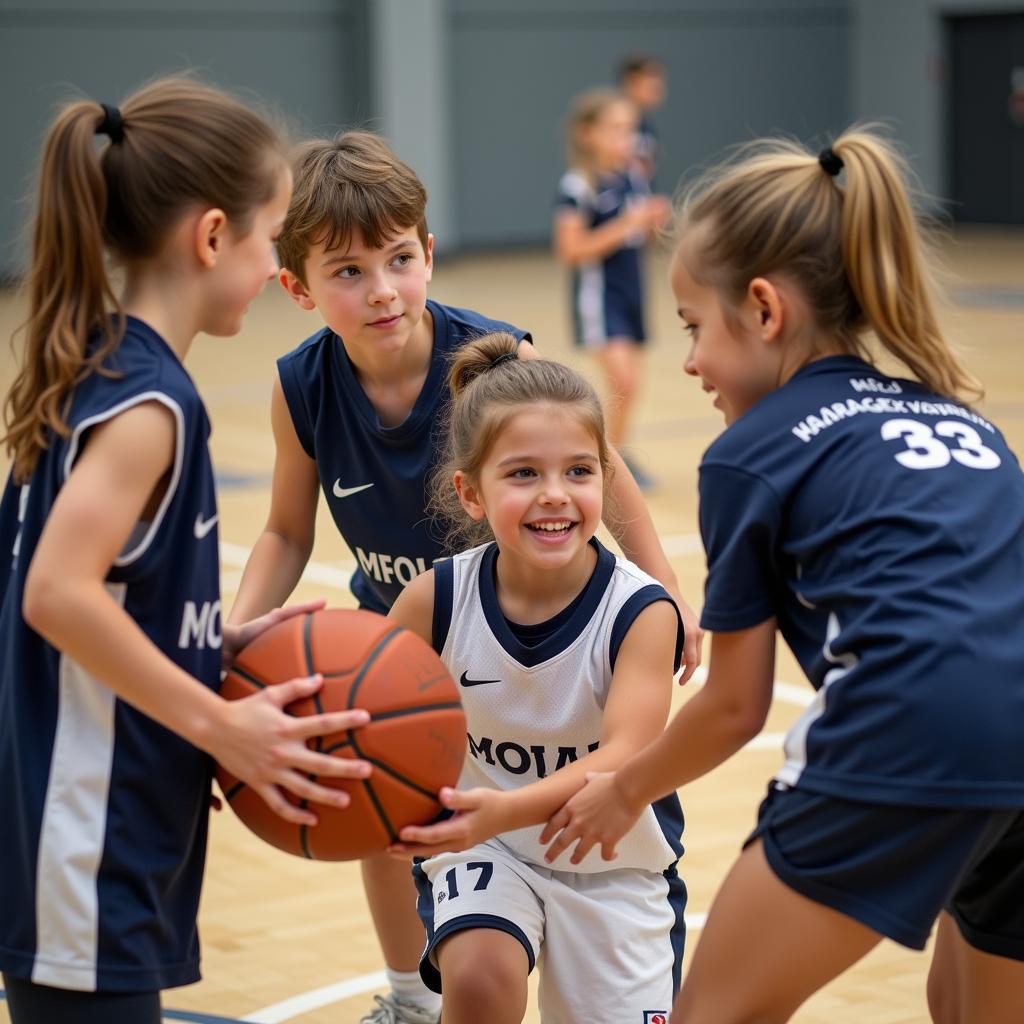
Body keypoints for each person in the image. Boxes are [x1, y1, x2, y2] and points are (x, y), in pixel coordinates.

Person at [541, 128, 1024, 1023]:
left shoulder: (751, 453)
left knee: (714, 1015)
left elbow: (735, 706)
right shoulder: (963, 424)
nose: (689, 364)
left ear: (764, 310)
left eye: (695, 328)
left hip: (909, 730)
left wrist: (626, 787)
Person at [228, 130, 701, 1024]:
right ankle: (411, 996)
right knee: (379, 797)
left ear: (428, 254)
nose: (382, 290)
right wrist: (240, 630)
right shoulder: (303, 386)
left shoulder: (492, 358)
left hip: (532, 600)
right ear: (296, 289)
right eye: (349, 272)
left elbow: (598, 464)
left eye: (399, 260)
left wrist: (665, 579)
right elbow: (287, 531)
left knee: (563, 767)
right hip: (405, 629)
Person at [0, 78, 375, 1024]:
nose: (270, 267)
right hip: (86, 836)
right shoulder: (149, 408)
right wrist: (218, 723)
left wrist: (217, 657)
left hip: (85, 812)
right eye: (271, 238)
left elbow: (88, 606)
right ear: (212, 237)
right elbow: (55, 597)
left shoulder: (96, 368)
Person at [384, 332, 687, 1024]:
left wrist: (503, 809)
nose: (555, 495)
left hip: (615, 863)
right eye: (523, 474)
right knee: (483, 977)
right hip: (485, 846)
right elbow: (362, 710)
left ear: (605, 481)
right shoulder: (435, 600)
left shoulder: (640, 611)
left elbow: (623, 759)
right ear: (470, 494)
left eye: (579, 471)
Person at [554, 88, 671, 491]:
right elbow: (570, 249)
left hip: (632, 292)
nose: (628, 138)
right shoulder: (577, 185)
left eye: (630, 129)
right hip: (599, 299)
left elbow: (646, 237)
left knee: (629, 386)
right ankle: (602, 461)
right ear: (588, 133)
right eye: (617, 128)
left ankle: (615, 454)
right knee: (623, 383)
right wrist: (627, 223)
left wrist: (654, 220)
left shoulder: (633, 177)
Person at [618, 54, 667, 185]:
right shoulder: (611, 124)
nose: (658, 86)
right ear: (631, 82)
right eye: (651, 79)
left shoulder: (648, 127)